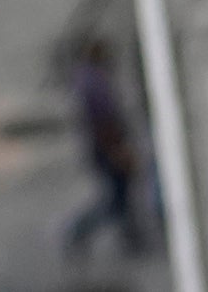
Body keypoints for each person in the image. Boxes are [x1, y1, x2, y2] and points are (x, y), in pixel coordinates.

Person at [58, 37, 153, 257]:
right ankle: (77, 231)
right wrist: (118, 151)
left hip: (104, 148)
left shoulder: (87, 79)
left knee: (122, 195)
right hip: (107, 149)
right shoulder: (93, 84)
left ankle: (131, 237)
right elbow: (103, 125)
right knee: (116, 199)